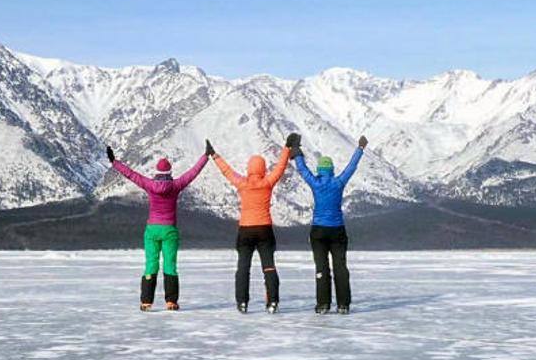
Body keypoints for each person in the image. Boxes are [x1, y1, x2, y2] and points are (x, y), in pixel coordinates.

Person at [107, 142, 211, 311]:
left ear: (157, 172)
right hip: (169, 230)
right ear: (169, 172)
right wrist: (205, 156)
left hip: (152, 230)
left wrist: (114, 162)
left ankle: (146, 302)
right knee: (170, 264)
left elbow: (131, 175)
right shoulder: (176, 185)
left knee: (151, 264)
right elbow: (193, 173)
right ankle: (171, 302)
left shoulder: (149, 185)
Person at [210, 134, 298, 314]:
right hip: (264, 229)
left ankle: (242, 302)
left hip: (245, 230)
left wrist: (214, 155)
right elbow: (281, 167)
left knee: (243, 267)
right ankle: (272, 302)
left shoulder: (242, 183)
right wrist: (287, 148)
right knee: (269, 266)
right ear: (263, 168)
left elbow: (227, 171)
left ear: (249, 168)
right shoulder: (267, 182)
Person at [290, 134, 367, 314]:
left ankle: (323, 304)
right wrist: (360, 149)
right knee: (340, 267)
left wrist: (296, 153)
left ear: (319, 169)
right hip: (337, 230)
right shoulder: (338, 182)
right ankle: (343, 304)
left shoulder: (315, 183)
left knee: (321, 267)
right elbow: (351, 167)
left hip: (318, 231)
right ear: (331, 170)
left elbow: (303, 170)